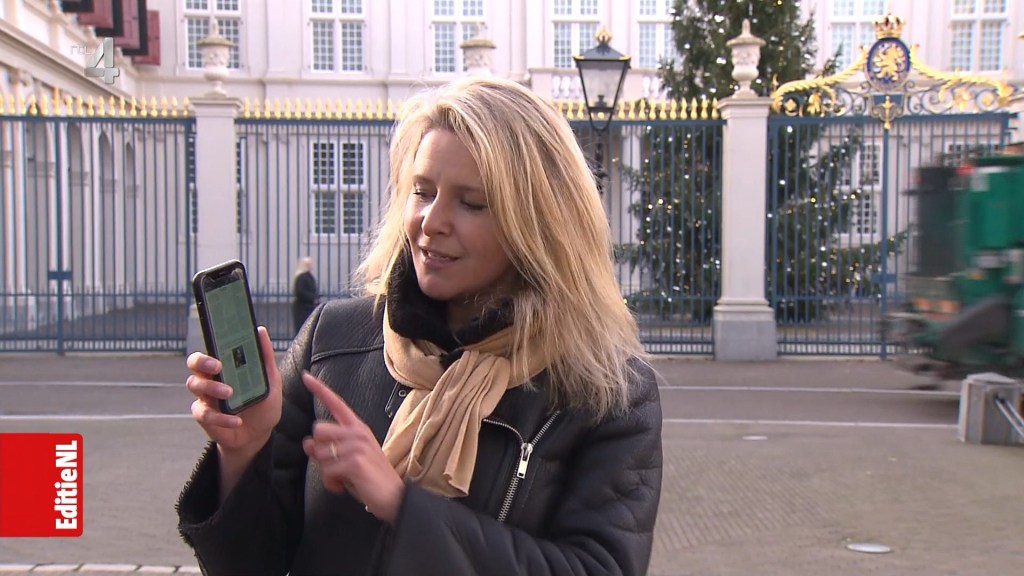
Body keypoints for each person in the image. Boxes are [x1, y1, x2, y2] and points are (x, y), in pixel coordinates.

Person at [177, 76, 663, 576]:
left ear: (537, 224)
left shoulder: (608, 392)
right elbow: (249, 564)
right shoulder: (331, 342)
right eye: (422, 192)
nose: (431, 222)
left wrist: (402, 506)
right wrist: (243, 452)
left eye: (471, 202)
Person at [292, 256, 319, 335]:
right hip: (302, 308)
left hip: (308, 307)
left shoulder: (308, 276)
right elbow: (300, 291)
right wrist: (312, 297)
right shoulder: (301, 277)